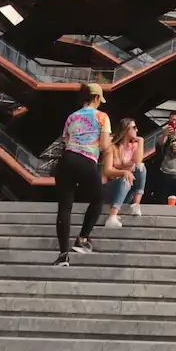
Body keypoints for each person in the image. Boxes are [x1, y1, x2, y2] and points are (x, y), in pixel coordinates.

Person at [52, 83, 111, 266]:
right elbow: (104, 146)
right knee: (98, 199)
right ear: (95, 98)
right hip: (86, 160)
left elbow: (66, 141)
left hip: (67, 160)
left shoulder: (72, 116)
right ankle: (83, 238)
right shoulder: (102, 117)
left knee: (65, 207)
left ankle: (63, 255)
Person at [100, 118, 145, 227]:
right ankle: (112, 216)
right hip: (109, 188)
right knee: (125, 178)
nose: (137, 130)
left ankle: (136, 204)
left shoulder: (133, 147)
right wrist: (124, 172)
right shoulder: (112, 147)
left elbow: (138, 163)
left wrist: (141, 142)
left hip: (126, 188)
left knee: (142, 167)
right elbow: (107, 171)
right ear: (125, 130)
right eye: (134, 128)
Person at [148, 112, 176, 206]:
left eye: (175, 120)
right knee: (162, 200)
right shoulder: (166, 134)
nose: (173, 122)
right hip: (165, 171)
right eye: (171, 120)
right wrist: (164, 135)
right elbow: (160, 145)